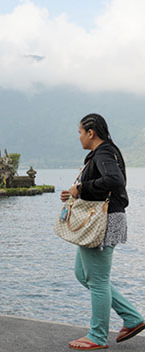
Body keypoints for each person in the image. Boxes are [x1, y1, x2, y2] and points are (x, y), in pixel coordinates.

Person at [61, 113, 145, 350]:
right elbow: (104, 186)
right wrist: (76, 193)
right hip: (104, 219)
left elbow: (115, 180)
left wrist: (82, 187)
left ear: (91, 132)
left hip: (103, 222)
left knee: (97, 280)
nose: (79, 137)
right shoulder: (104, 153)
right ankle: (132, 318)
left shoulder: (104, 153)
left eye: (80, 132)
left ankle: (97, 335)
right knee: (83, 274)